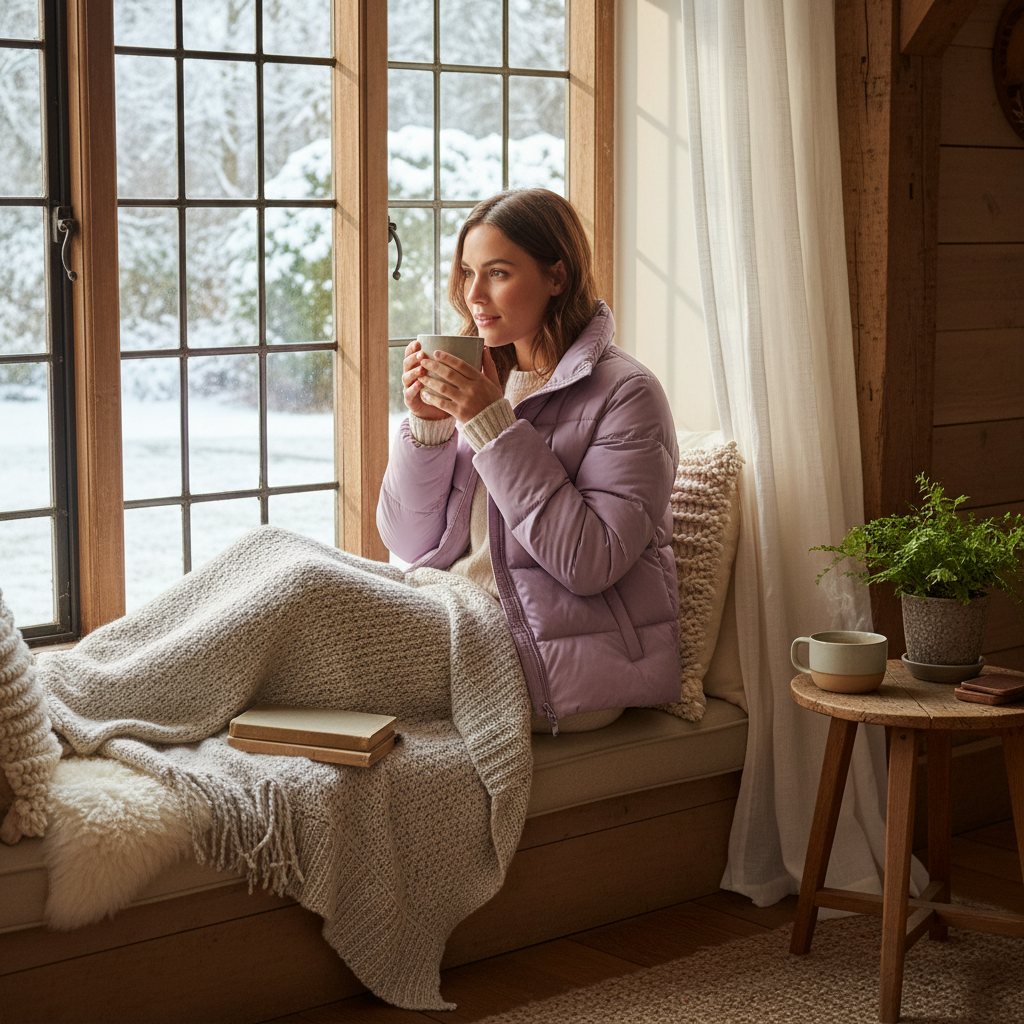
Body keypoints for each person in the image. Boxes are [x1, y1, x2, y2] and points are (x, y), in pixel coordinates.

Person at [377, 188, 681, 735]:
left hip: (552, 662)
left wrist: (494, 426)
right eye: (467, 273)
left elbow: (591, 561)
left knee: (306, 592)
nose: (473, 294)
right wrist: (429, 427)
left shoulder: (627, 394)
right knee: (275, 555)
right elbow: (409, 543)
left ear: (557, 277)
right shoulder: (488, 378)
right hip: (456, 617)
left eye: (497, 272)